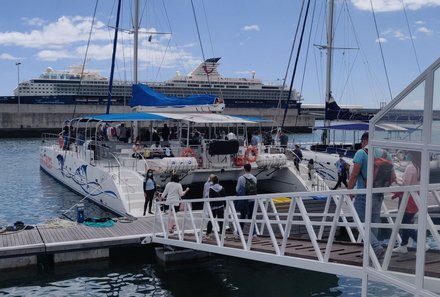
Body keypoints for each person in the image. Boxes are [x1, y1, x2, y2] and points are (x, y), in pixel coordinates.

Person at [347, 132, 387, 259]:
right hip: (379, 193)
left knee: (359, 221)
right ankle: (370, 251)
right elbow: (391, 174)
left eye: (362, 141)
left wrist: (349, 191)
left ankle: (376, 246)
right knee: (373, 223)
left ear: (365, 140)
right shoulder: (384, 153)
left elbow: (354, 174)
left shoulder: (361, 153)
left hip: (364, 192)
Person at [392, 152, 429, 253]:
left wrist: (397, 181)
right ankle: (403, 245)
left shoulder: (410, 167)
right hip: (417, 198)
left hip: (407, 199)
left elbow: (405, 185)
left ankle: (422, 243)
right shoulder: (422, 168)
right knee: (408, 222)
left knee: (404, 223)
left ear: (412, 156)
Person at [235, 163, 258, 236]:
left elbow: (237, 189)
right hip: (252, 199)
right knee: (251, 217)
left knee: (242, 216)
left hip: (244, 200)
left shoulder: (241, 178)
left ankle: (239, 232)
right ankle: (254, 233)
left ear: (244, 169)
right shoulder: (254, 178)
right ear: (250, 169)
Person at [205, 175, 226, 239]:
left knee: (211, 220)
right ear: (218, 181)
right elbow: (224, 197)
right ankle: (222, 234)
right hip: (220, 206)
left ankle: (208, 234)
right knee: (221, 221)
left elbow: (210, 198)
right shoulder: (222, 188)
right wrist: (225, 205)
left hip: (213, 207)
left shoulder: (211, 189)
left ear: (212, 182)